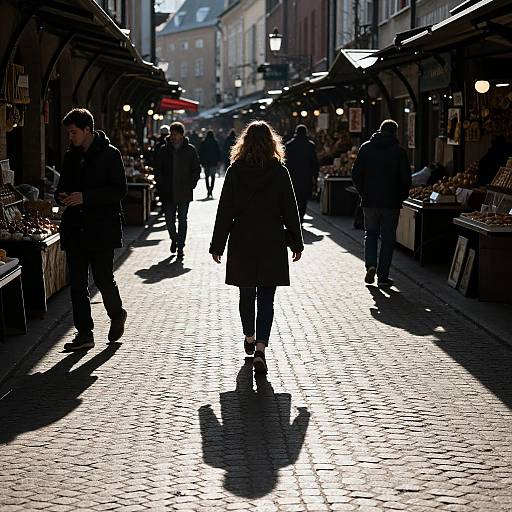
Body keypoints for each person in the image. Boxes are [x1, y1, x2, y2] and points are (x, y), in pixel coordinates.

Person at [210, 121, 304, 374]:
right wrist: (296, 241)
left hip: (242, 240)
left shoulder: (235, 171)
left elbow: (225, 211)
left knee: (246, 294)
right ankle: (261, 347)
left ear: (244, 143)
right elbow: (290, 210)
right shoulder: (279, 172)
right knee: (266, 298)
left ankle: (250, 337)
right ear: (272, 143)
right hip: (272, 240)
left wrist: (217, 245)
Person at [55, 108, 128, 351]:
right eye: (68, 133)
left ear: (88, 130)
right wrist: (61, 196)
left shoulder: (110, 155)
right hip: (76, 229)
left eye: (74, 132)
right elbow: (62, 186)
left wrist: (86, 197)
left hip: (102, 229)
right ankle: (85, 334)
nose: (71, 137)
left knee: (104, 278)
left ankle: (117, 314)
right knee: (77, 284)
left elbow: (119, 191)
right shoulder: (70, 156)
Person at [352, 119, 411, 287]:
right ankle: (383, 276)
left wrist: (363, 192)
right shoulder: (399, 152)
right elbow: (406, 178)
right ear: (395, 132)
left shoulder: (366, 148)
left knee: (370, 234)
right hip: (391, 203)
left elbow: (356, 173)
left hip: (369, 202)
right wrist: (400, 196)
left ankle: (371, 265)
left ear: (380, 129)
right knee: (387, 239)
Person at [154, 121, 201, 259]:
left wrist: (191, 184)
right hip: (168, 192)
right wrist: (161, 184)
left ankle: (180, 246)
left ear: (182, 135)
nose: (173, 137)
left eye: (176, 134)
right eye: (171, 134)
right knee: (169, 220)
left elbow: (196, 169)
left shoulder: (190, 150)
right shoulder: (164, 150)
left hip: (184, 191)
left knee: (182, 219)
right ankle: (174, 238)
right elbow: (158, 169)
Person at [285, 125, 320, 222]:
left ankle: (294, 216)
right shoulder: (310, 145)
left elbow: (285, 162)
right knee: (303, 198)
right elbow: (314, 162)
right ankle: (300, 216)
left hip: (292, 176)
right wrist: (315, 175)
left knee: (293, 197)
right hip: (306, 176)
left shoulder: (289, 145)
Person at [199, 130, 222, 199]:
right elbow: (218, 152)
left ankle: (208, 189)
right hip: (213, 162)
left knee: (206, 177)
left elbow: (200, 153)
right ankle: (211, 190)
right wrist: (219, 160)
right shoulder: (215, 142)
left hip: (206, 163)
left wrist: (201, 161)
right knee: (212, 177)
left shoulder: (203, 142)